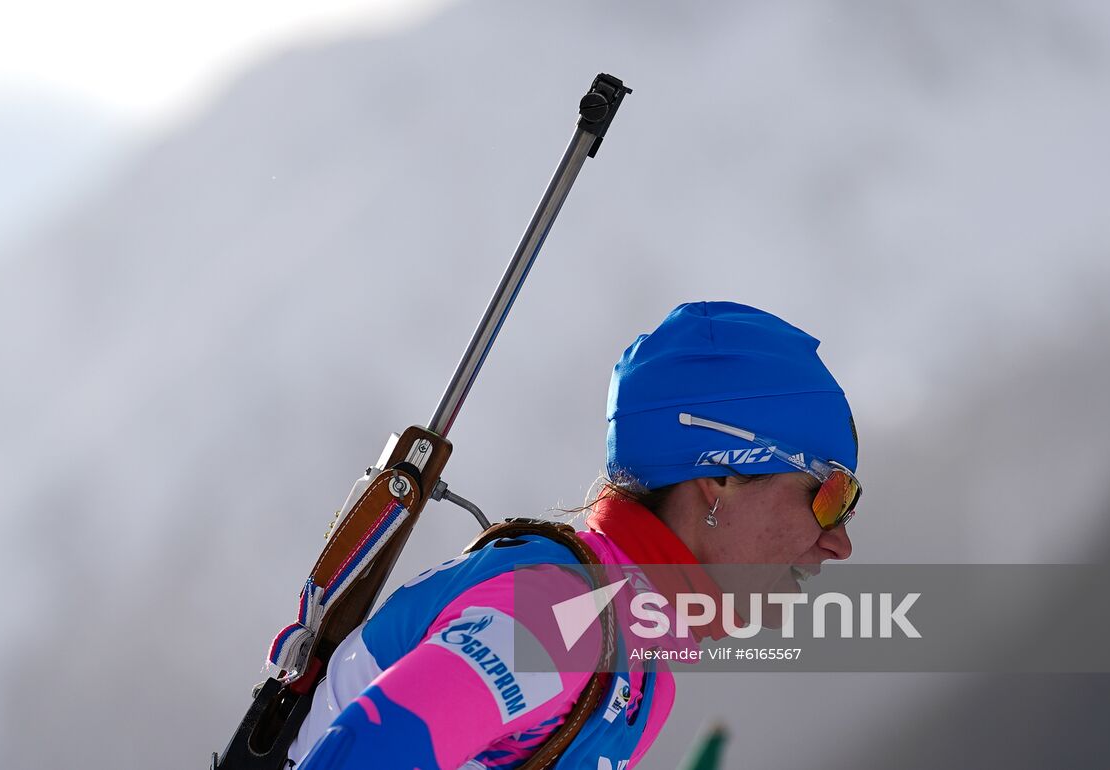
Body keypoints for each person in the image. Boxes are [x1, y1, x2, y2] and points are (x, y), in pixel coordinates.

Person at [289, 301, 862, 770]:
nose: (838, 543)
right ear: (719, 475)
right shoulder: (559, 618)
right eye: (830, 497)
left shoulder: (642, 677)